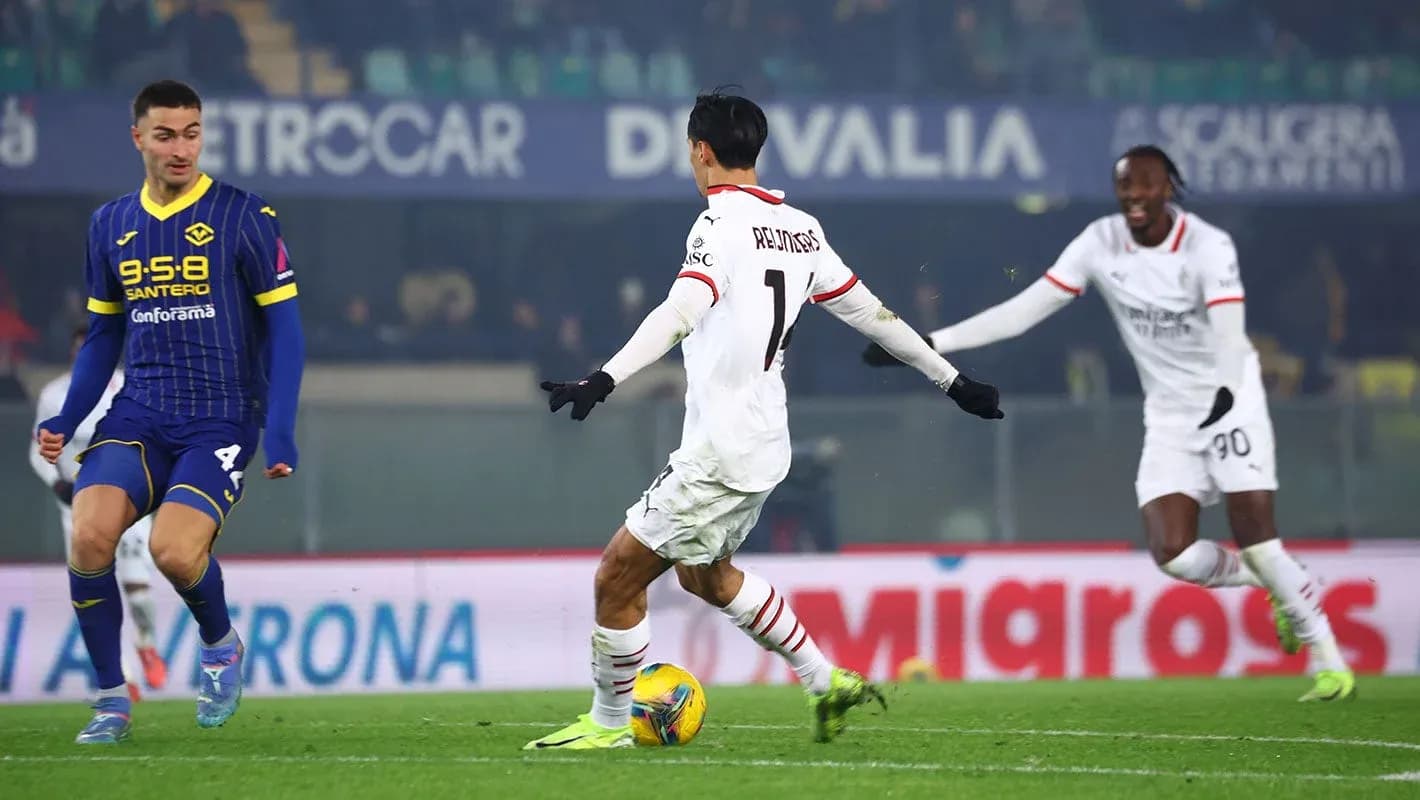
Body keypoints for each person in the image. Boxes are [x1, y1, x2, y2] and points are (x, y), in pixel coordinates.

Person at [526, 90, 1004, 750]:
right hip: (764, 445)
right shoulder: (803, 230)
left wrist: (603, 377)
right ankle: (823, 679)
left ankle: (609, 725)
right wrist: (954, 382)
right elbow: (876, 316)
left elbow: (682, 310)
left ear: (700, 151)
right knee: (705, 576)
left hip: (721, 450)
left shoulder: (717, 226)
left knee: (615, 577)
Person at [863, 145, 1353, 702]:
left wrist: (1222, 391)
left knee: (1260, 543)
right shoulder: (1100, 242)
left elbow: (1227, 325)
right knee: (1176, 555)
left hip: (1230, 399)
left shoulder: (1207, 246)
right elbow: (1027, 309)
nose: (1134, 198)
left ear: (1168, 188)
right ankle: (1281, 583)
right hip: (1169, 413)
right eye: (1125, 189)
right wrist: (931, 343)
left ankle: (1329, 661)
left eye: (1145, 187)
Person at [35, 79, 305, 744]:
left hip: (218, 417)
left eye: (191, 132)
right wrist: (68, 418)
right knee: (91, 536)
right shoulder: (111, 225)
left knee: (173, 554)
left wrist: (279, 429)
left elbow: (288, 331)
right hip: (139, 414)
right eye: (165, 134)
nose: (180, 147)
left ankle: (219, 644)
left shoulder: (245, 216)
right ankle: (109, 703)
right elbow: (102, 336)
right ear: (138, 138)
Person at [30, 325, 168, 695]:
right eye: (80, 347)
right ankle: (124, 677)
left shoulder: (131, 387)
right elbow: (38, 449)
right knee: (97, 587)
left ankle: (146, 642)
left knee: (138, 591)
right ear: (74, 351)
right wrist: (57, 482)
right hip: (76, 502)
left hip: (127, 497)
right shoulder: (54, 395)